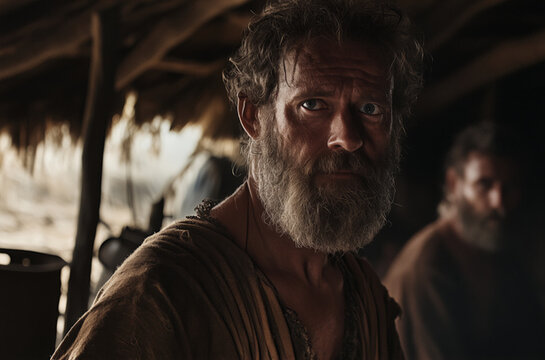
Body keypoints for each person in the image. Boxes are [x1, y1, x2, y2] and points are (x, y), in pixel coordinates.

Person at [53, 0, 424, 359]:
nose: (347, 136)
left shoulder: (366, 301)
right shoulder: (161, 294)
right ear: (253, 116)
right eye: (312, 105)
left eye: (371, 108)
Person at [384, 123, 545, 360]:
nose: (498, 203)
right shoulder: (425, 268)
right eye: (484, 184)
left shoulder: (503, 256)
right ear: (454, 184)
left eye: (509, 187)